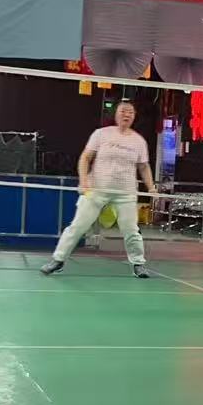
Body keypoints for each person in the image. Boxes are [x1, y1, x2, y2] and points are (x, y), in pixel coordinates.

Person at [41, 100, 156, 279]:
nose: (126, 115)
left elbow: (144, 166)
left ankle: (138, 264)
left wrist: (151, 187)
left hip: (125, 192)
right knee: (78, 226)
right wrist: (83, 181)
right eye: (123, 111)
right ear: (116, 114)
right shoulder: (101, 134)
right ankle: (58, 260)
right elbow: (85, 158)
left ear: (134, 116)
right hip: (96, 189)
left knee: (131, 229)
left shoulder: (139, 141)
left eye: (130, 112)